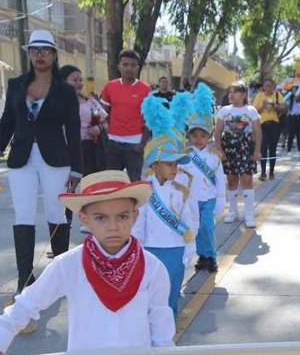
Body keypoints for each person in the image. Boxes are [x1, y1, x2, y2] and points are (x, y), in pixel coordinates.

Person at [0, 171, 175, 355]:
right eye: (101, 218)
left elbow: (161, 324)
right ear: (84, 218)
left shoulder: (152, 268)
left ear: (135, 215)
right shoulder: (69, 265)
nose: (113, 227)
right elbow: (27, 303)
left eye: (123, 216)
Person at [0, 29, 81, 308]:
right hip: (21, 159)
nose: (40, 56)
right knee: (23, 214)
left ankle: (60, 277)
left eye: (45, 50)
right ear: (29, 54)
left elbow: (74, 131)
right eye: (34, 50)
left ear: (54, 54)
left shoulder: (65, 90)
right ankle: (24, 279)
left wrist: (77, 169)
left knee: (56, 213)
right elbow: (7, 121)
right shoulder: (16, 84)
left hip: (55, 159)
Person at [134, 95, 198, 315]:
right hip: (150, 249)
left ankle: (167, 333)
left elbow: (190, 220)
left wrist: (190, 248)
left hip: (175, 249)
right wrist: (138, 249)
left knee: (171, 294)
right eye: (170, 163)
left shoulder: (182, 190)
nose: (175, 168)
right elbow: (138, 223)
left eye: (177, 164)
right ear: (154, 164)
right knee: (150, 294)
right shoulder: (143, 190)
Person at [184, 85, 226, 274]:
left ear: (209, 136)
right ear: (189, 136)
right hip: (191, 198)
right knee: (196, 228)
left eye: (203, 135)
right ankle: (202, 256)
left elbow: (220, 178)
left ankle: (211, 256)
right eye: (195, 135)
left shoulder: (214, 155)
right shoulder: (185, 155)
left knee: (208, 227)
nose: (199, 139)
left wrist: (220, 199)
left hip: (208, 198)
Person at [101, 50, 153, 181]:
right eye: (125, 64)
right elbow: (102, 111)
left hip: (135, 145)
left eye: (133, 65)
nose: (129, 68)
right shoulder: (110, 86)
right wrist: (106, 128)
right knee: (112, 182)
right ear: (119, 66)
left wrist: (142, 144)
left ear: (138, 67)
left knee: (134, 182)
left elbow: (150, 119)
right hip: (113, 143)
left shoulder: (146, 89)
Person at [215, 82, 261, 228]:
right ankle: (232, 212)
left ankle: (249, 215)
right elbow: (217, 132)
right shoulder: (224, 111)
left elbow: (257, 132)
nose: (231, 95)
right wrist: (219, 150)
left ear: (243, 95)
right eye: (230, 92)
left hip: (246, 148)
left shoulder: (251, 111)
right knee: (232, 179)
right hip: (229, 148)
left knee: (247, 179)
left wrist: (257, 151)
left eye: (235, 92)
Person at [61, 65, 108, 177]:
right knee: (69, 185)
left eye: (80, 80)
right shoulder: (56, 104)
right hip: (65, 150)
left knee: (90, 183)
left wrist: (99, 128)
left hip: (90, 150)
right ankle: (70, 193)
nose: (79, 83)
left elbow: (105, 122)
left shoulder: (90, 103)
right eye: (74, 80)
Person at [253, 78, 286, 181]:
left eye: (270, 86)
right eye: (266, 86)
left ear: (273, 87)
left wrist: (274, 106)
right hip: (262, 125)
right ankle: (263, 172)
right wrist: (263, 106)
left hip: (274, 124)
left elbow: (283, 107)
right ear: (263, 87)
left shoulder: (277, 95)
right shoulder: (259, 96)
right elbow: (254, 111)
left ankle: (271, 171)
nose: (268, 88)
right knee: (263, 148)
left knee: (272, 148)